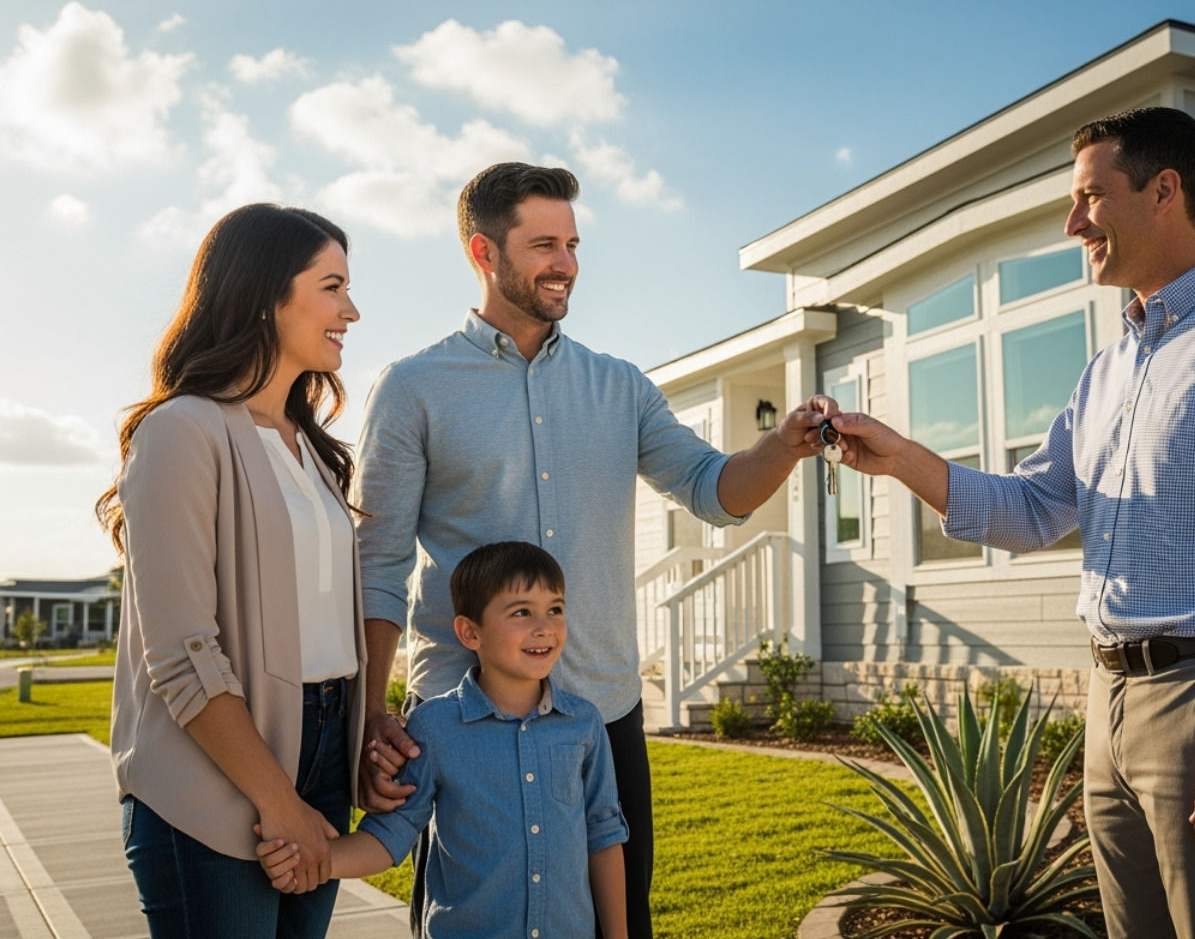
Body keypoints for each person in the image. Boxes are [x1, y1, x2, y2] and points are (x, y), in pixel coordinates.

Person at [827, 108, 1195, 939]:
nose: (1073, 223)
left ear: (1163, 191)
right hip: (1109, 703)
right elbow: (1035, 508)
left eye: (1089, 197)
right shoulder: (1108, 369)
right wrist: (899, 457)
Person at [353, 162, 833, 938]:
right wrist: (372, 712)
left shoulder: (621, 386)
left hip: (600, 715)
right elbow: (377, 565)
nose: (567, 264)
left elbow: (715, 490)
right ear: (483, 251)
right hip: (462, 722)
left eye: (573, 244)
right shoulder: (413, 388)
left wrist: (781, 444)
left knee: (618, 923)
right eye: (544, 244)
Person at [98, 203, 367, 939]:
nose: (352, 310)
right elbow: (182, 651)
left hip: (321, 758)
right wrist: (277, 801)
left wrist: (366, 731)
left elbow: (318, 621)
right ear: (263, 297)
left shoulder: (311, 449)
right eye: (332, 286)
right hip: (214, 782)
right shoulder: (182, 430)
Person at [258, 540, 628, 939]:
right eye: (522, 612)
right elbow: (391, 833)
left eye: (555, 609)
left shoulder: (583, 724)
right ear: (470, 632)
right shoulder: (433, 727)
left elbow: (603, 835)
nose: (545, 627)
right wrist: (317, 859)